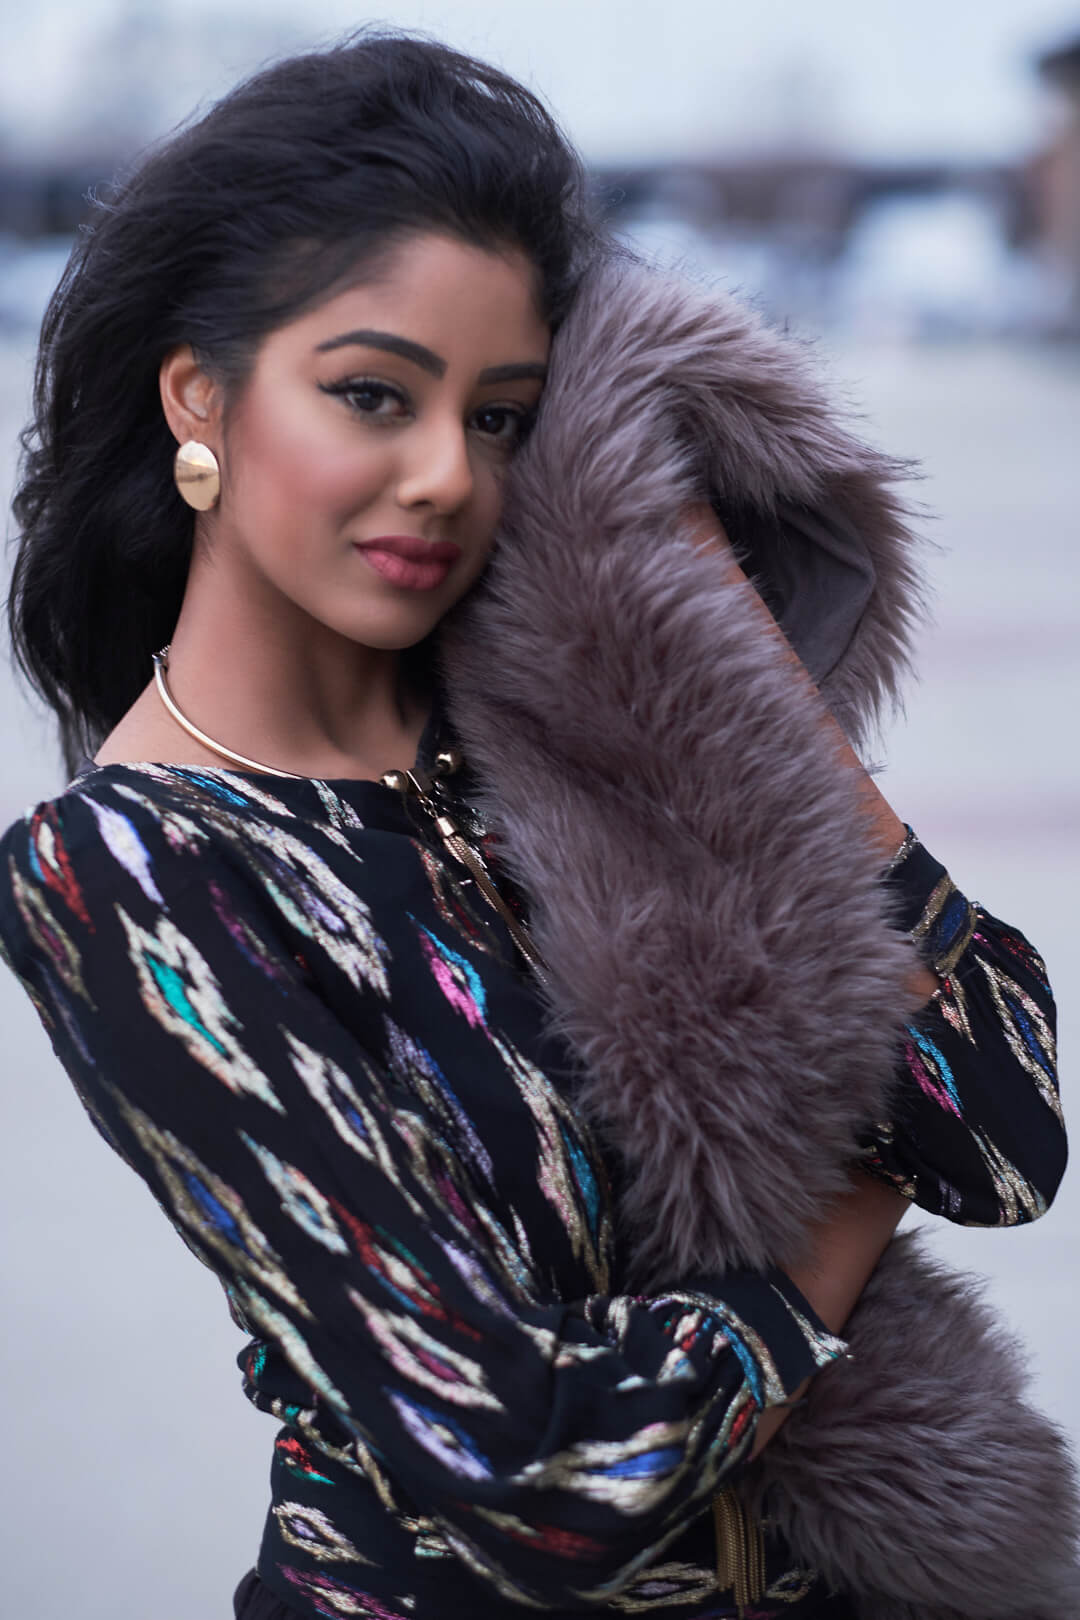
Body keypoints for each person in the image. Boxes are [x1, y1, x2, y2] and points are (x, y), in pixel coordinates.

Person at [0, 30, 1067, 1620]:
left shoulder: (560, 714)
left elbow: (998, 1128)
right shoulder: (136, 876)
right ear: (200, 397)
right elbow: (530, 1478)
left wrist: (719, 644)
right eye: (373, 394)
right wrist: (830, 1238)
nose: (443, 475)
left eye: (500, 418)